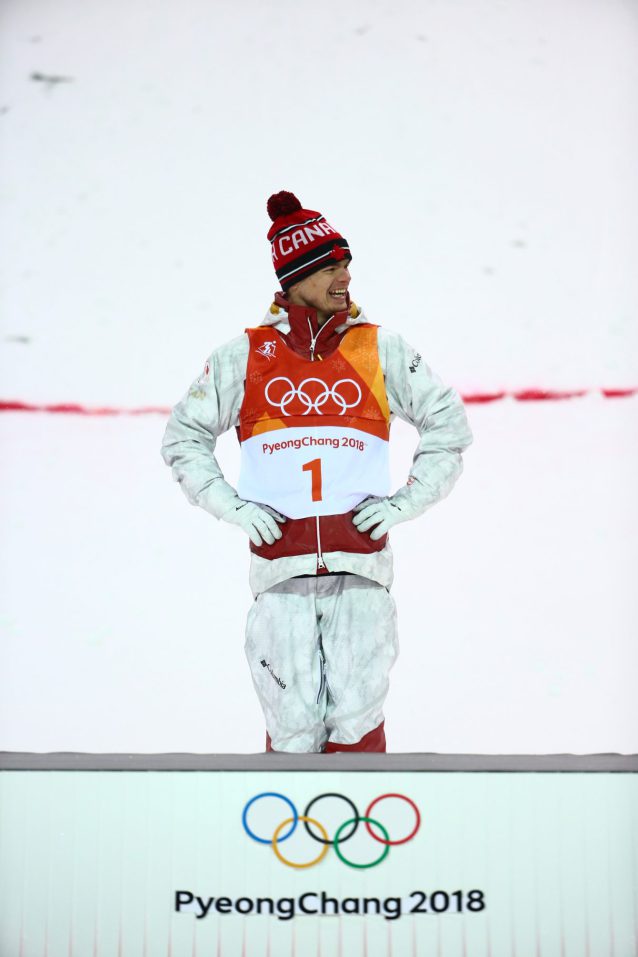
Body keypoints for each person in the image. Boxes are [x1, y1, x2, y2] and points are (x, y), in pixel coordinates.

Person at [161, 191, 472, 753]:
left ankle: (358, 835)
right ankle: (293, 840)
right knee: (292, 729)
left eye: (346, 265)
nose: (343, 278)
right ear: (294, 277)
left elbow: (448, 423)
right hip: (279, 579)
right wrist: (233, 507)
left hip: (362, 574)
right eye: (329, 267)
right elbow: (184, 437)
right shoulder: (243, 356)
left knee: (357, 719)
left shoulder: (379, 347)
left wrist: (407, 502)